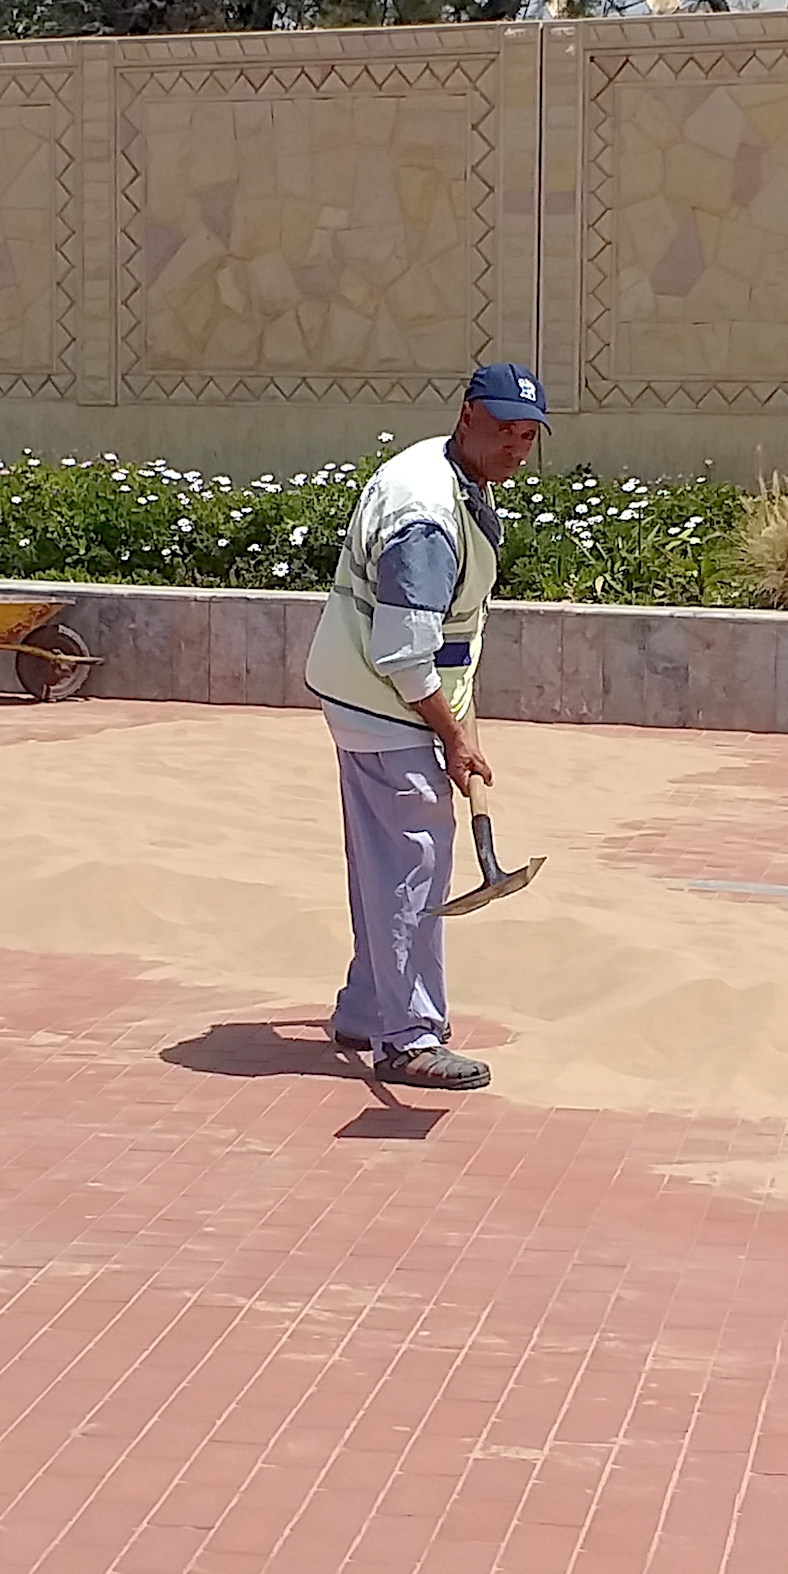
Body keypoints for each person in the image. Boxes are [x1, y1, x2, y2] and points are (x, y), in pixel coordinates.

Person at [303, 363, 546, 1090]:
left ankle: (369, 1006)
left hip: (372, 698)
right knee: (412, 866)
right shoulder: (426, 518)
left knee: (386, 860)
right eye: (504, 427)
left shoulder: (440, 472)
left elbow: (443, 636)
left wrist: (464, 725)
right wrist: (450, 733)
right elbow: (404, 653)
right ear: (468, 414)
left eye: (529, 433)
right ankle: (409, 1035)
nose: (517, 446)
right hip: (385, 704)